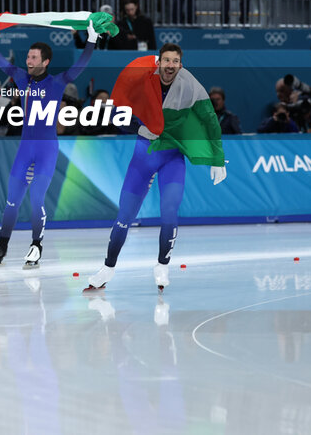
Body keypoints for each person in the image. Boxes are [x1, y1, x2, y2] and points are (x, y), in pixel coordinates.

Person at [85, 44, 226, 292]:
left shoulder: (191, 85)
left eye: (175, 61)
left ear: (180, 64)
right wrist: (133, 125)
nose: (170, 65)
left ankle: (162, 265)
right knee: (124, 217)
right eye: (166, 61)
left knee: (170, 213)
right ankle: (107, 267)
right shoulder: (142, 79)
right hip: (144, 154)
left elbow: (211, 121)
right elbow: (117, 112)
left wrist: (217, 158)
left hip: (172, 156)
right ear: (158, 63)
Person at [0, 17, 97, 268]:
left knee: (37, 199)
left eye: (33, 57)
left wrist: (92, 39)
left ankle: (36, 245)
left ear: (45, 61)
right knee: (12, 200)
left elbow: (81, 64)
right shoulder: (20, 78)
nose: (28, 60)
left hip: (46, 149)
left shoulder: (57, 82)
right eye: (28, 56)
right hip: (25, 148)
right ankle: (2, 245)